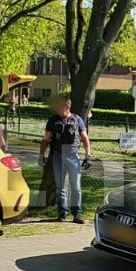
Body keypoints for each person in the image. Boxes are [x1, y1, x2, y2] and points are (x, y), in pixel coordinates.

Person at [40, 95, 92, 223]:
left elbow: (85, 138)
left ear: (67, 107)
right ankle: (62, 212)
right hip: (57, 156)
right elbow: (46, 139)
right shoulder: (53, 120)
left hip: (73, 156)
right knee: (60, 186)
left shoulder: (77, 120)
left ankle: (77, 213)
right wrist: (41, 155)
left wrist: (88, 155)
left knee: (76, 186)